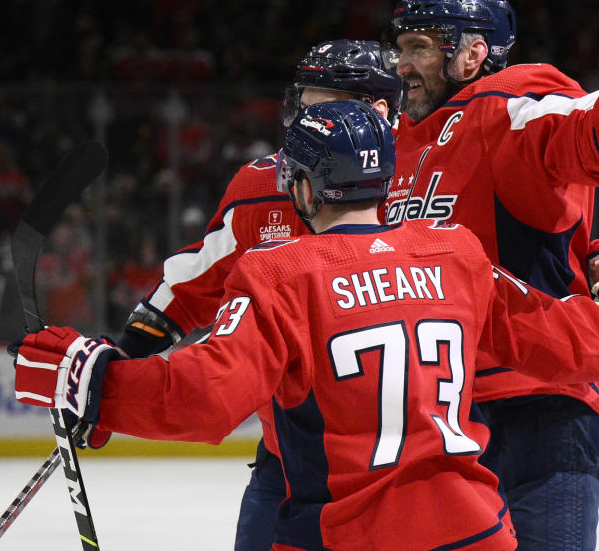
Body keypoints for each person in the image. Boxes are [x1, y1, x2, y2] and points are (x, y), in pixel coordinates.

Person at [10, 100, 599, 551]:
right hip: (473, 533)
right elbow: (554, 338)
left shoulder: (280, 274)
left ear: (308, 187)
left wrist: (96, 383)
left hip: (348, 538)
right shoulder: (456, 255)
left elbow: (203, 397)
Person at [379, 0, 599, 550]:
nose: (402, 63)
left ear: (471, 53)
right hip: (435, 411)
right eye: (401, 48)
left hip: (539, 402)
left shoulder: (504, 103)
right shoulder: (395, 140)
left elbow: (574, 129)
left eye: (418, 48)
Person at [110, 39, 404, 550]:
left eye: (319, 108)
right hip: (287, 457)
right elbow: (198, 277)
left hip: (411, 466)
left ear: (375, 110)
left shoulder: (434, 172)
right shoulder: (264, 183)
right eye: (301, 107)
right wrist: (124, 356)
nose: (300, 126)